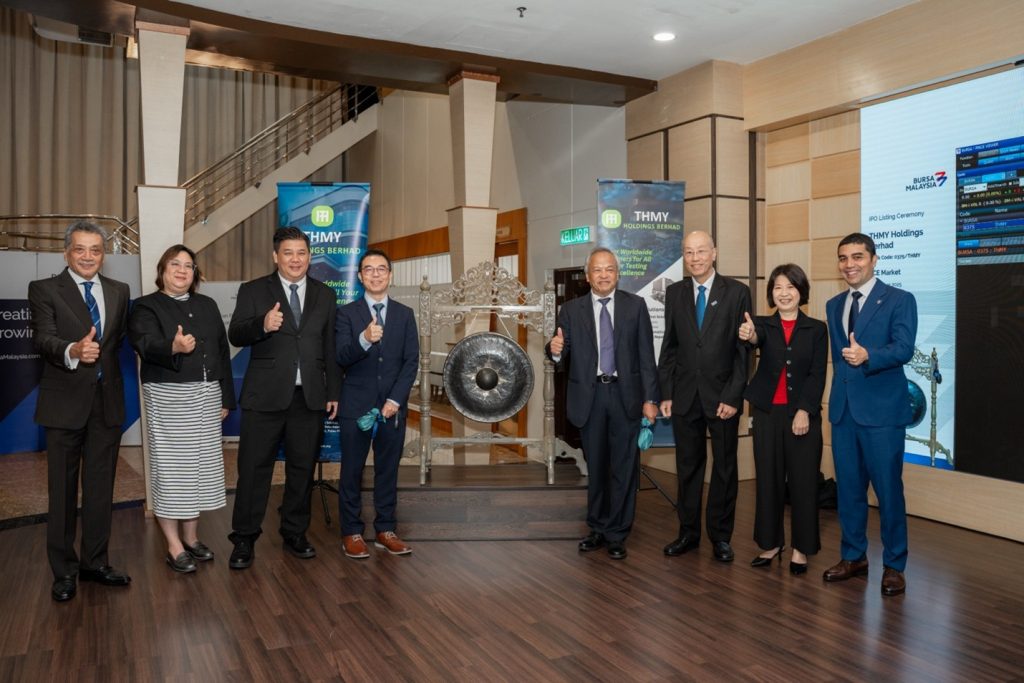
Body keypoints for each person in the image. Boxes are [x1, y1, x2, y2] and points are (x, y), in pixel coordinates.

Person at [28, 220, 132, 601]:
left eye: (95, 250)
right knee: (62, 491)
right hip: (63, 405)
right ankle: (64, 571)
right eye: (80, 249)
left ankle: (95, 563)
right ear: (66, 252)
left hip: (107, 404)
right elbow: (42, 338)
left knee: (101, 489)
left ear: (104, 255)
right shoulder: (44, 289)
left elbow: (119, 341)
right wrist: (72, 350)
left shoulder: (120, 290)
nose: (88, 256)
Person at [227, 226, 340, 569]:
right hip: (264, 396)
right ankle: (244, 538)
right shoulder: (253, 290)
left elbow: (330, 347)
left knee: (302, 469)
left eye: (301, 252)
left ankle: (294, 532)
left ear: (310, 257)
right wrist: (262, 324)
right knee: (253, 469)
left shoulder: (325, 294)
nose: (295, 259)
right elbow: (236, 334)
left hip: (309, 397)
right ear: (275, 256)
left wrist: (333, 391)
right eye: (288, 252)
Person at [546, 247, 660, 560]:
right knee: (596, 467)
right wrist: (554, 349)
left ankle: (617, 533)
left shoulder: (635, 306)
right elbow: (560, 350)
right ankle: (597, 528)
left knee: (623, 468)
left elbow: (647, 357)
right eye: (597, 270)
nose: (604, 275)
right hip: (591, 397)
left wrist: (650, 399)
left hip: (626, 397)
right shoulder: (571, 310)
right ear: (588, 276)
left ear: (617, 274)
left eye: (609, 269)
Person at [128, 245, 235, 573]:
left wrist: (226, 397)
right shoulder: (145, 305)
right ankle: (174, 546)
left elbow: (221, 351)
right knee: (172, 472)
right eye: (175, 264)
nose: (182, 270)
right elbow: (144, 343)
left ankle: (191, 537)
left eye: (189, 266)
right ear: (162, 270)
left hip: (207, 395)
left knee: (198, 470)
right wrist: (172, 346)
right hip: (168, 397)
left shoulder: (207, 304)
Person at [822, 233, 917, 597]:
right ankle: (853, 556)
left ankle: (894, 565)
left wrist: (869, 356)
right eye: (843, 258)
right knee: (848, 491)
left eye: (858, 256)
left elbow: (904, 348)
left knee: (889, 492)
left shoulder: (899, 300)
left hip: (882, 414)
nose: (850, 264)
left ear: (874, 259)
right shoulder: (834, 304)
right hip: (844, 413)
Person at [658, 230, 751, 563]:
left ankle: (721, 537)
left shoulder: (737, 292)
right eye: (688, 252)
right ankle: (688, 532)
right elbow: (669, 347)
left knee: (724, 468)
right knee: (688, 467)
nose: (695, 258)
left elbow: (743, 352)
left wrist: (734, 396)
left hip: (722, 398)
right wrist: (666, 392)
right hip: (684, 396)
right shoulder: (675, 293)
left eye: (700, 251)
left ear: (714, 253)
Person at [738, 264, 827, 575]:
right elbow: (754, 338)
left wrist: (804, 410)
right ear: (771, 293)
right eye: (778, 287)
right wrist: (749, 335)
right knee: (768, 480)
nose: (784, 293)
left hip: (802, 415)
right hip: (767, 414)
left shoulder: (816, 329)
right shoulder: (762, 324)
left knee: (803, 483)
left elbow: (817, 374)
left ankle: (801, 548)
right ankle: (770, 543)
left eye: (791, 287)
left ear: (801, 292)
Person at [335, 249, 419, 559]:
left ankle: (386, 530)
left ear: (390, 275)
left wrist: (395, 399)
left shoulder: (405, 314)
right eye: (368, 269)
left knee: (388, 471)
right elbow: (341, 356)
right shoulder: (346, 314)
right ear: (360, 276)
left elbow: (411, 361)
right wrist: (364, 339)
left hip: (392, 408)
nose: (375, 274)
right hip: (355, 405)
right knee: (351, 471)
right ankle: (352, 532)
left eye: (381, 269)